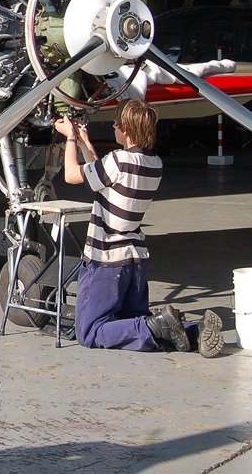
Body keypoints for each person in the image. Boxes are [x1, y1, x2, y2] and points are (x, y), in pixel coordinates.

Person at [54, 98, 223, 357]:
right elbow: (100, 176)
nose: (113, 127)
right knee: (133, 321)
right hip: (135, 261)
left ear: (127, 130)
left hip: (107, 260)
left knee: (90, 332)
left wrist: (69, 139)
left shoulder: (118, 161)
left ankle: (160, 324)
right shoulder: (154, 164)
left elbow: (72, 175)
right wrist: (85, 143)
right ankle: (193, 331)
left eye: (116, 124)